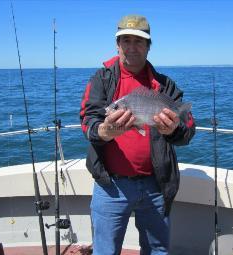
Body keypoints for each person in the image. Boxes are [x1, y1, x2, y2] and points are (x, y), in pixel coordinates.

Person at [80, 15, 195, 255]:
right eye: (126, 40)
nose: (131, 47)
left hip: (156, 185)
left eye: (139, 41)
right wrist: (105, 130)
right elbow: (88, 121)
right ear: (117, 44)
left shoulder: (166, 86)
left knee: (157, 250)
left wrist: (173, 129)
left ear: (148, 46)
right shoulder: (101, 80)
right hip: (110, 186)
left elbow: (188, 131)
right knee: (105, 251)